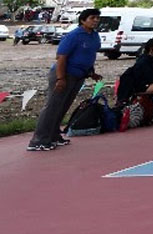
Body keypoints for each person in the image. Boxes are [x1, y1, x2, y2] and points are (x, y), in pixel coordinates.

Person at [28, 8, 102, 151]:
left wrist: (92, 73)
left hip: (80, 76)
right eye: (92, 18)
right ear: (83, 20)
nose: (96, 20)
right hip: (65, 74)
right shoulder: (74, 36)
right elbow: (61, 58)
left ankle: (54, 135)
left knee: (63, 107)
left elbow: (89, 55)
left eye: (97, 18)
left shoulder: (94, 36)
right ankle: (39, 140)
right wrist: (60, 78)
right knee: (52, 107)